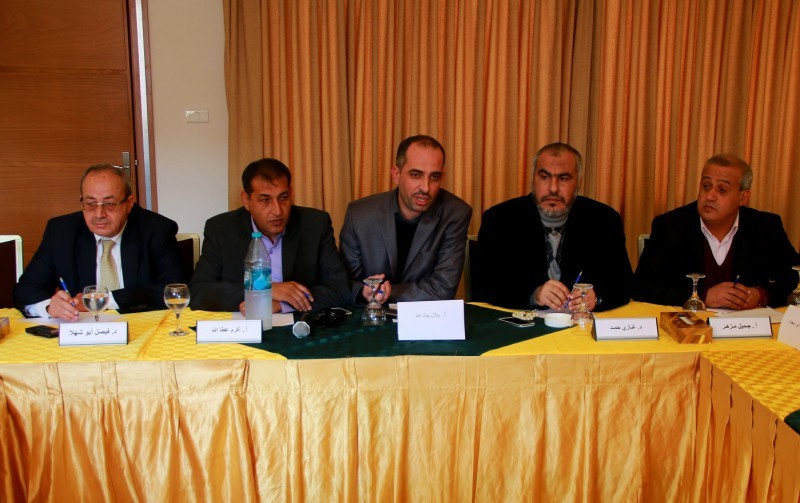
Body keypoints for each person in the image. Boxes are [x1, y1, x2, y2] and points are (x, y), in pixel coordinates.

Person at [14, 164, 185, 319]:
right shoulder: (61, 232)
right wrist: (49, 306)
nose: (99, 214)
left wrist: (103, 300)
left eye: (109, 204)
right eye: (90, 204)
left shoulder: (156, 230)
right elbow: (26, 288)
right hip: (80, 329)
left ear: (129, 203)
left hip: (141, 326)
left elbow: (174, 289)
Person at [476, 142, 632, 311]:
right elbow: (484, 285)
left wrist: (597, 298)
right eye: (545, 177)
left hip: (581, 323)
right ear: (533, 179)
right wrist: (533, 295)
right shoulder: (499, 219)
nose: (553, 188)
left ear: (578, 182)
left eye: (563, 179)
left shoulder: (604, 219)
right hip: (521, 323)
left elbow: (624, 285)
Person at [634, 153, 800, 309]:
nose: (710, 196)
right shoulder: (670, 225)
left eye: (722, 189)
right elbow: (642, 286)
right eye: (706, 186)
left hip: (746, 325)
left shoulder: (766, 226)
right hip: (689, 325)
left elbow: (795, 277)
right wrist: (701, 295)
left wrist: (761, 295)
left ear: (743, 197)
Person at [190, 158, 350, 313]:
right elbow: (198, 291)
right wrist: (265, 289)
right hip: (244, 323)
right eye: (265, 200)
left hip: (300, 324)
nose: (277, 211)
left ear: (291, 193)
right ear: (246, 200)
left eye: (283, 198)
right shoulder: (221, 229)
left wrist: (282, 305)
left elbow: (340, 288)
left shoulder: (315, 224)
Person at [339, 135, 472, 303]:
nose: (426, 188)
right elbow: (345, 283)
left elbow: (443, 288)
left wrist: (383, 292)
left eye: (434, 177)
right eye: (416, 175)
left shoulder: (456, 213)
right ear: (396, 174)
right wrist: (362, 292)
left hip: (424, 315)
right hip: (368, 312)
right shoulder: (359, 214)